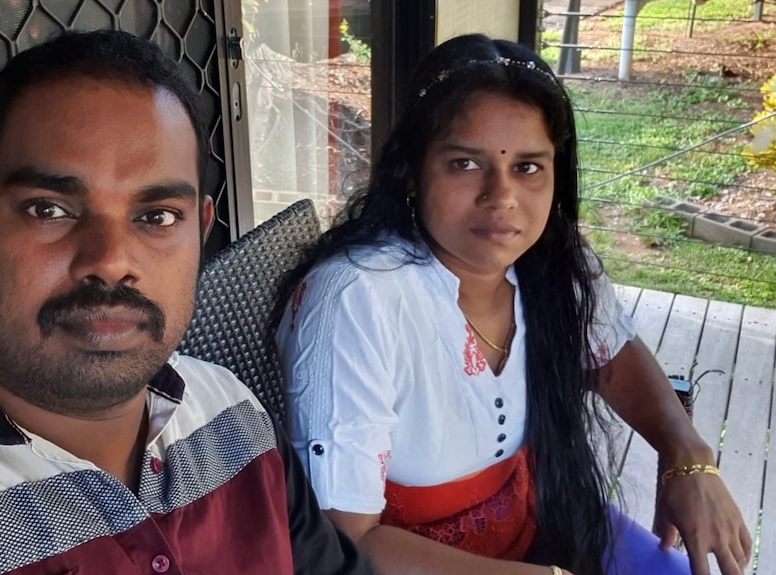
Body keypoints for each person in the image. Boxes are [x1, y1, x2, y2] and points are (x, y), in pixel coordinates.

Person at [275, 34, 750, 575]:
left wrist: (686, 454)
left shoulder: (550, 265)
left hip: (543, 531)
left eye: (527, 167)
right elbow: (347, 542)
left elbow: (611, 354)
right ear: (411, 170)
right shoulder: (357, 300)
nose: (501, 196)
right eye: (465, 164)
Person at [0, 30, 374, 575]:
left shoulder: (232, 414)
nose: (111, 260)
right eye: (50, 209)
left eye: (155, 217)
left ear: (200, 232)